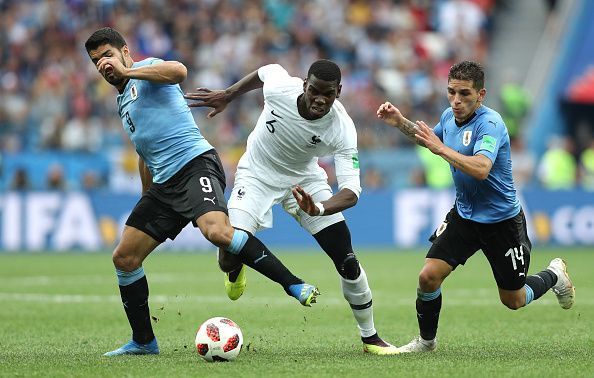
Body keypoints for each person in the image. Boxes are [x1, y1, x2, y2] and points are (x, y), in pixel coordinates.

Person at [84, 27, 319, 357]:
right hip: (164, 187)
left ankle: (293, 284)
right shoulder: (123, 100)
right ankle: (143, 341)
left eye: (107, 55)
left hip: (195, 166)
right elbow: (144, 151)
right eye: (96, 61)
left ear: (125, 52)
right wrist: (146, 196)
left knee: (217, 233)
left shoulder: (146, 70)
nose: (102, 64)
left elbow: (178, 70)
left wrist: (129, 70)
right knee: (124, 257)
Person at [184, 60, 399, 355]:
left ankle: (371, 338)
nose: (320, 99)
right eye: (314, 91)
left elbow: (351, 192)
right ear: (304, 86)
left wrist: (320, 208)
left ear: (339, 91)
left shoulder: (342, 128)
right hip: (257, 174)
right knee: (227, 255)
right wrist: (228, 94)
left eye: (328, 94)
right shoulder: (280, 88)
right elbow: (266, 70)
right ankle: (235, 271)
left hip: (304, 181)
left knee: (347, 260)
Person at [376, 60, 575, 353]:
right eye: (451, 92)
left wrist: (441, 149)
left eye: (465, 94)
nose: (456, 101)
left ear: (480, 95)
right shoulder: (448, 116)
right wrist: (401, 123)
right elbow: (428, 139)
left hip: (501, 222)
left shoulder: (490, 124)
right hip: (465, 216)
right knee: (428, 276)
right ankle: (426, 342)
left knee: (514, 300)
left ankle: (554, 275)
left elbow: (481, 168)